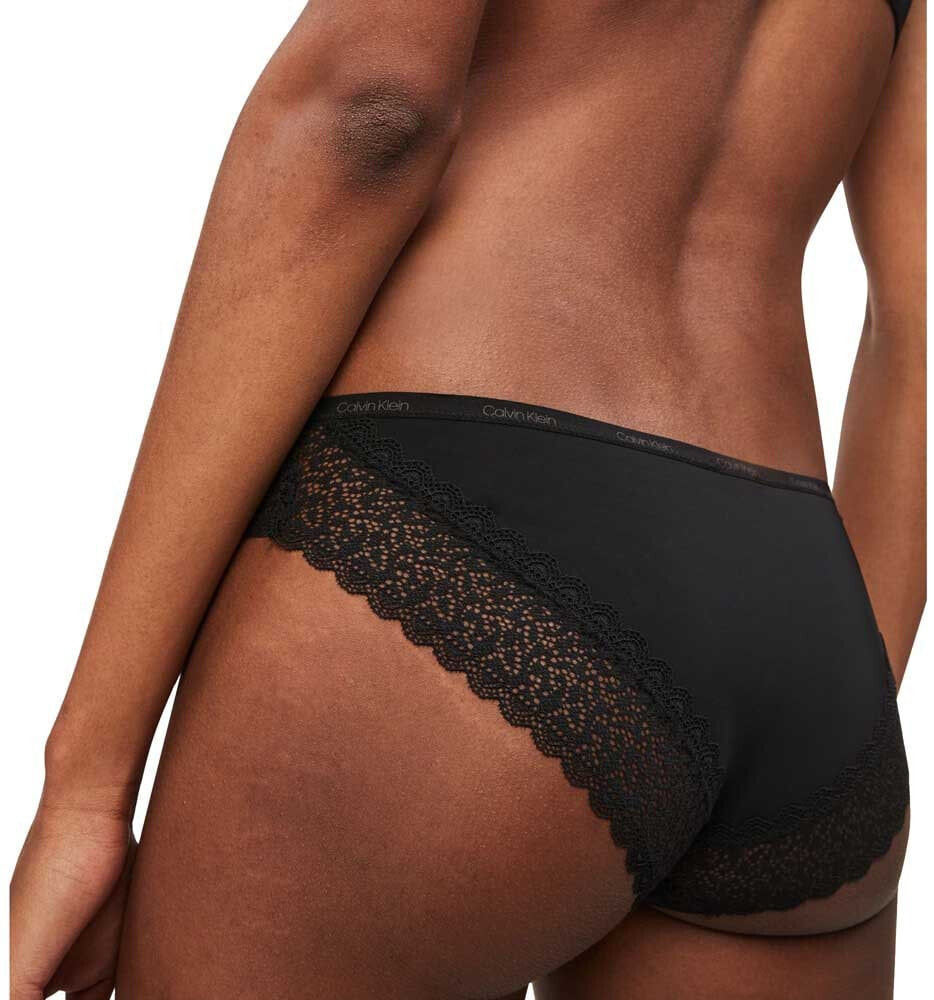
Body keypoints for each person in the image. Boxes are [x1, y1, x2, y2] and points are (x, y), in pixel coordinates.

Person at [11, 1, 926, 998]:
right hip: (800, 620)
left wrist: (86, 784)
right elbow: (916, 314)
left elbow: (369, 108)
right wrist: (811, 724)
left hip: (473, 517)